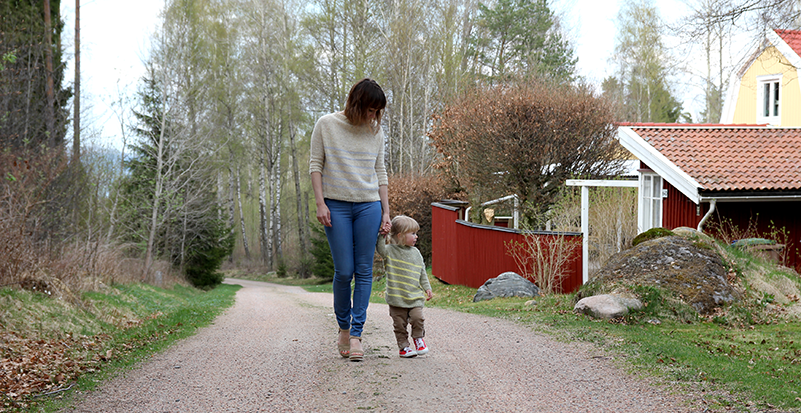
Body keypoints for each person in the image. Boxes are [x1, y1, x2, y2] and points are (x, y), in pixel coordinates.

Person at [310, 78, 392, 362]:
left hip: (368, 205)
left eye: (377, 112)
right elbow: (315, 166)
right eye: (370, 110)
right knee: (344, 271)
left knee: (364, 270)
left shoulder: (376, 133)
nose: (373, 116)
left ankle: (356, 334)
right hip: (336, 205)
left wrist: (386, 212)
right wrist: (320, 203)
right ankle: (343, 327)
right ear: (356, 104)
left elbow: (380, 172)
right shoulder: (326, 125)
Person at [375, 215, 434, 358]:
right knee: (399, 325)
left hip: (414, 296)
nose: (416, 237)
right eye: (413, 233)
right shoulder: (389, 251)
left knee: (417, 318)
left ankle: (418, 338)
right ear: (400, 235)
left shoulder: (416, 253)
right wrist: (382, 234)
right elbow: (380, 248)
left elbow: (422, 272)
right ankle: (404, 347)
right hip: (396, 298)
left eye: (416, 233)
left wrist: (427, 287)